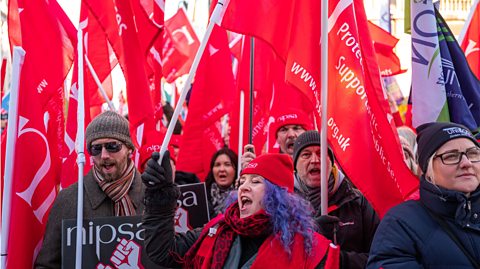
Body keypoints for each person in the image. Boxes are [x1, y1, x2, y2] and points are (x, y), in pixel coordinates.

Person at [141, 152, 340, 268]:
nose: (244, 187)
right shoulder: (217, 230)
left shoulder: (308, 248)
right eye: (242, 181)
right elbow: (162, 252)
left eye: (255, 181)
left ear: (277, 195)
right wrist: (160, 198)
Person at [35, 111, 145, 268]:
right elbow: (46, 265)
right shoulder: (70, 199)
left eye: (112, 146)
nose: (104, 155)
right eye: (96, 149)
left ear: (129, 149)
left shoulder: (153, 196)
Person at [367, 122, 480, 268]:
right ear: (427, 169)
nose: (467, 162)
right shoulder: (399, 223)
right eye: (451, 156)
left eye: (473, 153)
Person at [293, 130, 380, 269]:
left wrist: (338, 258)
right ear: (295, 166)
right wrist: (313, 235)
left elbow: (379, 257)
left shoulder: (357, 201)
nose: (315, 160)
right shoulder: (283, 204)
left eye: (321, 153)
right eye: (306, 155)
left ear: (332, 162)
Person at [241, 108, 313, 169]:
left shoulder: (319, 165)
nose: (291, 135)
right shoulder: (267, 170)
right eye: (284, 130)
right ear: (277, 139)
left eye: (296, 128)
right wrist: (250, 173)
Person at [204, 147, 238, 217]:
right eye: (217, 165)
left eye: (227, 164)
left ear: (236, 170)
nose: (222, 169)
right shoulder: (202, 197)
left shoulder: (242, 197)